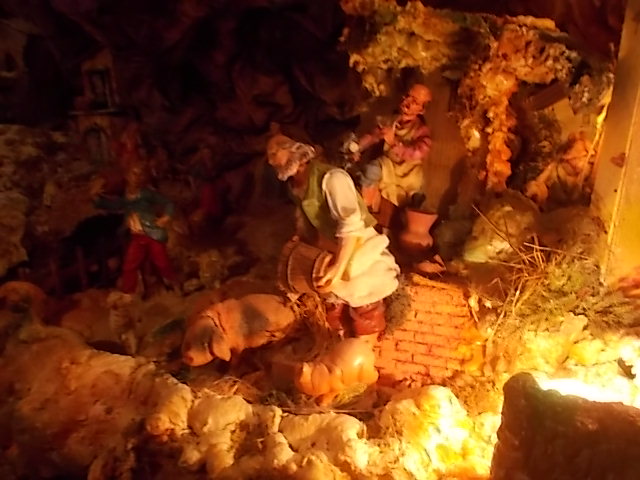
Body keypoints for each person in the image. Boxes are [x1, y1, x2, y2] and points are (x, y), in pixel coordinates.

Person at [267, 132, 400, 337]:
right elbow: (306, 219)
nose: (270, 160)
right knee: (332, 303)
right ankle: (336, 338)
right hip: (328, 249)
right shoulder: (296, 187)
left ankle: (365, 341)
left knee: (362, 296)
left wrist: (339, 266)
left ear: (295, 149)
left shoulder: (332, 179)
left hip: (357, 247)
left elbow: (351, 225)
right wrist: (302, 239)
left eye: (275, 151)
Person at [93, 162, 178, 295]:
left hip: (152, 234)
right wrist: (96, 198)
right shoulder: (126, 198)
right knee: (129, 266)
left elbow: (168, 203)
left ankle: (174, 285)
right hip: (137, 237)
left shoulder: (146, 194)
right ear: (127, 176)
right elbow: (114, 205)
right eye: (134, 174)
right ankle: (129, 293)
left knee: (162, 262)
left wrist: (165, 218)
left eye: (140, 174)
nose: (137, 177)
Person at [354, 84, 433, 219]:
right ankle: (364, 210)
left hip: (408, 172)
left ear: (421, 109)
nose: (407, 102)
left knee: (415, 199)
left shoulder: (420, 130)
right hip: (389, 166)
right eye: (407, 96)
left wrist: (393, 143)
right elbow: (373, 136)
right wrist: (357, 148)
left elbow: (418, 152)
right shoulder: (391, 121)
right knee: (371, 170)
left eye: (414, 101)